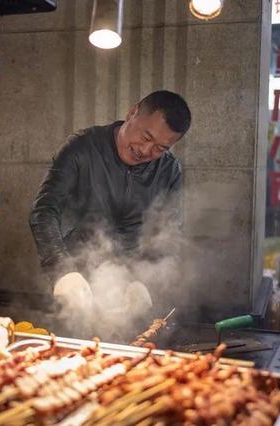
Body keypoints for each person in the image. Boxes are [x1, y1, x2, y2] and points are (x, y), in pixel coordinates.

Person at [29, 90, 191, 314]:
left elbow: (170, 237)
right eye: (146, 137)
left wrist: (145, 284)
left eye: (160, 148)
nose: (145, 151)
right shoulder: (82, 148)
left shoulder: (170, 171)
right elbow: (44, 211)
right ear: (132, 112)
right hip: (76, 273)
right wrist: (62, 271)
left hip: (132, 279)